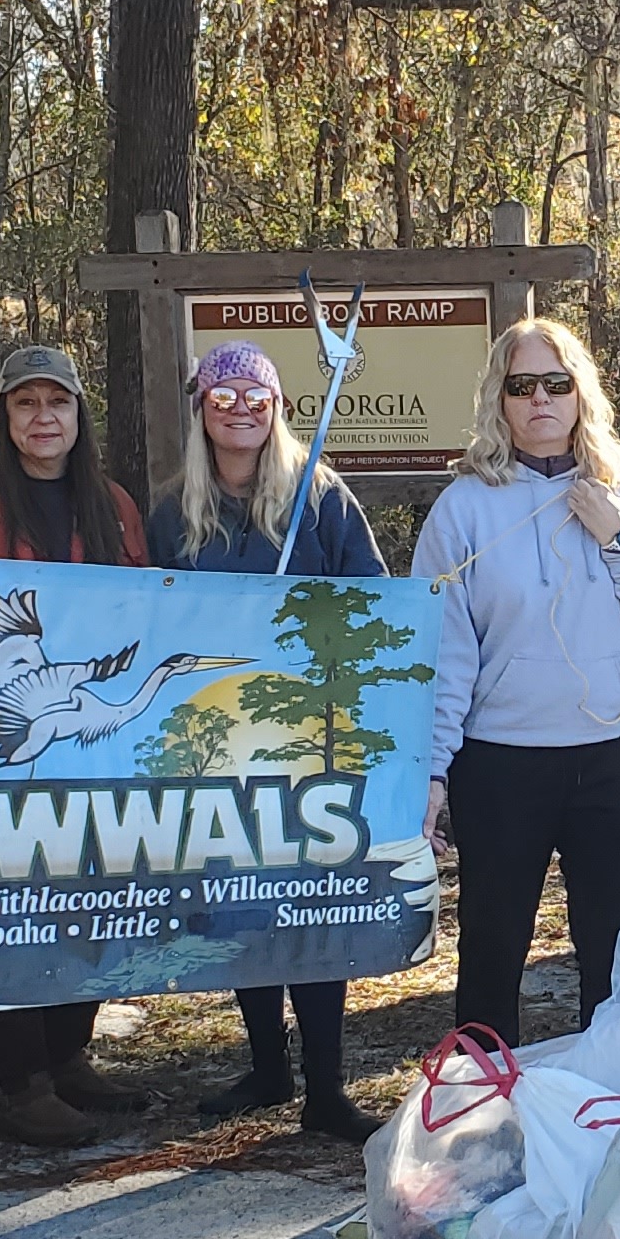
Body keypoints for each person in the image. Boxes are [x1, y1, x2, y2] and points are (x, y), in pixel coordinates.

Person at [410, 318, 620, 1044]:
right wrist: (433, 772)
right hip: (502, 759)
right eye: (521, 386)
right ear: (499, 401)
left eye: (556, 383)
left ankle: (611, 1103)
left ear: (580, 394)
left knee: (613, 941)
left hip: (613, 753)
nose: (540, 399)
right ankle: (481, 1101)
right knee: (492, 939)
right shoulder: (464, 508)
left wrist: (617, 538)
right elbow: (444, 655)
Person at [0, 345, 155, 1148]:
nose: (42, 418)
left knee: (88, 893)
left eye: (57, 402)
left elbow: (145, 615)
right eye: (26, 404)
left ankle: (70, 1055)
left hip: (86, 744)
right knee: (11, 902)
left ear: (79, 414)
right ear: (5, 416)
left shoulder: (113, 506)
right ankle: (20, 1083)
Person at [152, 341, 389, 1141]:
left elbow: (373, 603)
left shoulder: (322, 498)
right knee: (238, 901)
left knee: (311, 900)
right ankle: (267, 1065)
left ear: (280, 406)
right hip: (213, 735)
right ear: (201, 410)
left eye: (258, 396)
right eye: (225, 398)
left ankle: (326, 1084)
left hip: (307, 732)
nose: (243, 410)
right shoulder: (171, 509)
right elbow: (141, 615)